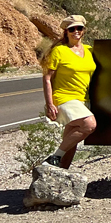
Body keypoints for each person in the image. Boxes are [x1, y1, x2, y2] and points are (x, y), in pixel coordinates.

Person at [41, 15, 97, 169]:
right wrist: (50, 104)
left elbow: (110, 54)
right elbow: (47, 79)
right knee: (89, 125)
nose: (76, 31)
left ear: (84, 30)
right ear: (66, 32)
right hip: (64, 98)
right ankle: (55, 157)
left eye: (79, 28)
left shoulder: (89, 50)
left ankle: (58, 174)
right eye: (72, 29)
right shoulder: (59, 51)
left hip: (82, 99)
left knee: (71, 142)